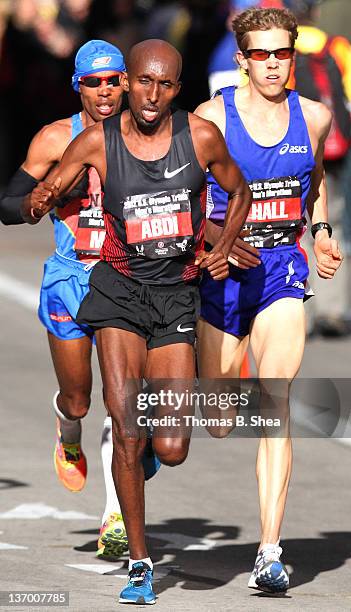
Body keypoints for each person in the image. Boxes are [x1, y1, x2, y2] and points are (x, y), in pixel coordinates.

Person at [22, 39, 252, 605]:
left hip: (174, 294)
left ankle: (147, 448)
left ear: (178, 89)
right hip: (118, 292)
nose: (151, 95)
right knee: (124, 427)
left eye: (164, 85)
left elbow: (239, 189)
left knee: (170, 446)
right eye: (143, 82)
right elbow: (44, 190)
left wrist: (221, 246)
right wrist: (40, 198)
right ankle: (140, 562)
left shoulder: (199, 137)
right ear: (131, 84)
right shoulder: (98, 139)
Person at [195, 6, 342, 593]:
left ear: (294, 56)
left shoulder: (315, 117)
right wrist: (218, 242)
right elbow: (179, 199)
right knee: (222, 418)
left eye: (283, 53)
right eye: (262, 54)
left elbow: (316, 184)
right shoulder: (210, 118)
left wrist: (323, 233)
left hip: (281, 264)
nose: (274, 64)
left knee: (274, 402)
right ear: (242, 60)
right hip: (221, 271)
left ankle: (269, 551)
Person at [0, 39, 137, 560]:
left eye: (112, 81)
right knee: (80, 398)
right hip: (71, 277)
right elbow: (8, 203)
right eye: (92, 82)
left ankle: (116, 516)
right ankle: (67, 426)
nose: (104, 92)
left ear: (125, 81)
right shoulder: (57, 137)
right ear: (76, 86)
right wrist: (37, 201)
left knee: (121, 401)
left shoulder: (149, 135)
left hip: (128, 279)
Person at [285, 0, 351, 336]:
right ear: (317, 13)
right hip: (333, 154)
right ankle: (332, 311)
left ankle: (299, 311)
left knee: (294, 227)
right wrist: (345, 137)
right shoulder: (337, 47)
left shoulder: (277, 52)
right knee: (329, 221)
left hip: (288, 153)